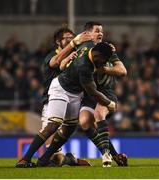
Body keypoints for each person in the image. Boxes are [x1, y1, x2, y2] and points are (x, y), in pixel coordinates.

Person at [16, 27, 92, 168]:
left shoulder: (76, 55)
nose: (71, 40)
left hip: (72, 98)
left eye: (72, 37)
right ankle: (68, 160)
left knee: (70, 128)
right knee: (55, 158)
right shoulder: (52, 56)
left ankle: (66, 159)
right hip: (52, 101)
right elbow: (55, 62)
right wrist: (73, 43)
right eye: (67, 38)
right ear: (58, 41)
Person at [78, 21, 128, 167]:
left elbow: (123, 71)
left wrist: (103, 69)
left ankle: (106, 154)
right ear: (87, 34)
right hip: (88, 95)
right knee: (85, 122)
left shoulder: (107, 50)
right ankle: (115, 155)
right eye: (97, 30)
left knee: (99, 113)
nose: (100, 33)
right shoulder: (81, 51)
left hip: (106, 92)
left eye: (101, 31)